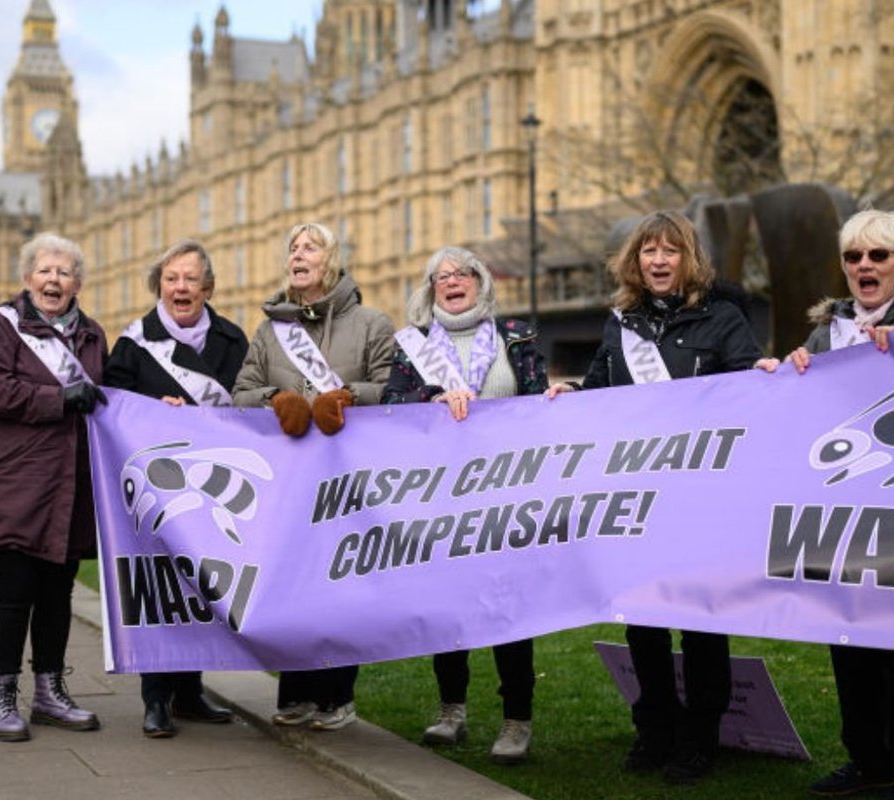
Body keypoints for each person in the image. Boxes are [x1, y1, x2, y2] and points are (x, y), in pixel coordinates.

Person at [547, 211, 763, 784]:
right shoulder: (622, 324)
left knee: (699, 621)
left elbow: (750, 393)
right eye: (649, 251)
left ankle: (699, 738)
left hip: (700, 500)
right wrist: (568, 392)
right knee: (641, 620)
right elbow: (599, 390)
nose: (659, 261)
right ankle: (655, 729)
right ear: (634, 261)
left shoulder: (723, 319)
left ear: (688, 258)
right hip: (636, 499)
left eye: (670, 251)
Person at [381, 246, 546, 763]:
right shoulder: (411, 348)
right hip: (444, 496)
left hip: (506, 494)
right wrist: (431, 405)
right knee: (449, 605)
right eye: (440, 277)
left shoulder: (515, 337)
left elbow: (540, 399)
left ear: (481, 282)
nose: (452, 282)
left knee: (507, 608)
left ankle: (516, 719)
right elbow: (390, 406)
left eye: (462, 274)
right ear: (431, 291)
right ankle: (451, 710)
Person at [233, 221, 395, 732]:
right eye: (293, 248)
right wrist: (275, 401)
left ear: (332, 261)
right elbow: (242, 391)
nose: (298, 255)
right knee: (293, 583)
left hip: (350, 479)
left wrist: (346, 396)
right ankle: (297, 691)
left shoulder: (370, 323)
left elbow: (393, 388)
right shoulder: (268, 330)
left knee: (341, 582)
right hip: (289, 481)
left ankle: (336, 696)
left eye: (310, 247)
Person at [759, 209, 894, 797]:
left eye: (879, 256)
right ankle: (867, 761)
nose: (865, 266)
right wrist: (777, 373)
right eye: (854, 257)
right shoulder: (827, 333)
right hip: (838, 514)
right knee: (848, 640)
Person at [104, 238, 247, 738]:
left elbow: (248, 408)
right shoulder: (132, 343)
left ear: (207, 287)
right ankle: (156, 697)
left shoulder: (232, 340)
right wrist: (150, 410)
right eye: (171, 279)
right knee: (159, 587)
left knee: (202, 588)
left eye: (189, 279)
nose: (180, 287)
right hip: (156, 487)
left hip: (213, 485)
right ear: (159, 286)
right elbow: (111, 407)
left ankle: (190, 691)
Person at [0, 233, 107, 742]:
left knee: (57, 594)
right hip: (17, 483)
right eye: (45, 271)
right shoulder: (2, 326)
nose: (54, 280)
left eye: (64, 272)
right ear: (27, 278)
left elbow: (103, 397)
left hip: (71, 486)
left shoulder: (92, 335)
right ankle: (2, 694)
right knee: (13, 593)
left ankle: (49, 690)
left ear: (78, 283)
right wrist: (59, 398)